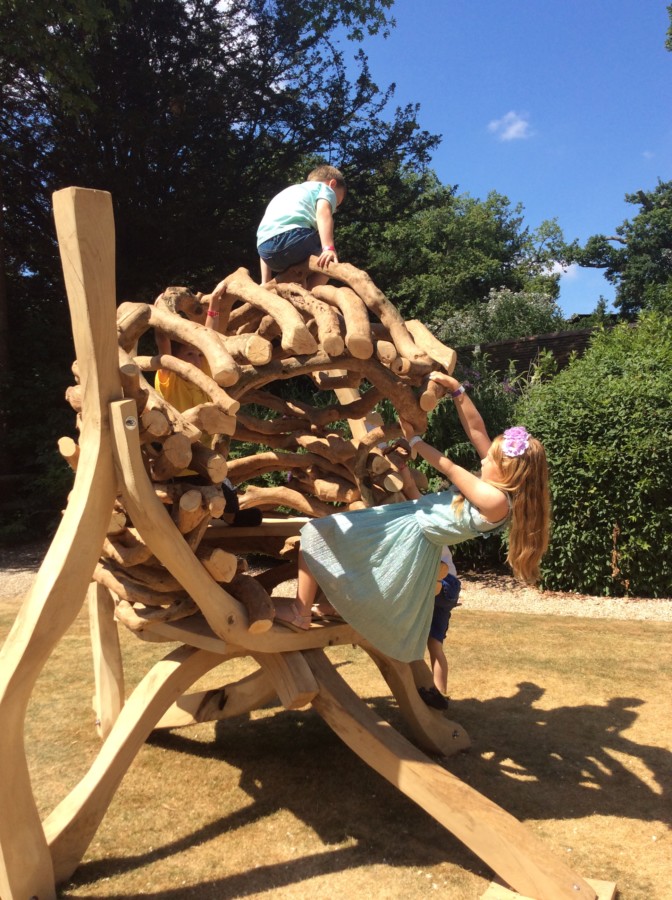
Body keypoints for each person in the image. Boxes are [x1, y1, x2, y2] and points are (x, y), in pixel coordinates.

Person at [274, 371, 551, 666]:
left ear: (509, 471)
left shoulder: (495, 501)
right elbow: (477, 430)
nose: (484, 459)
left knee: (317, 533)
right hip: (411, 523)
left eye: (492, 459)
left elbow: (450, 468)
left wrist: (415, 441)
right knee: (351, 559)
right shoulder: (495, 487)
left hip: (409, 532)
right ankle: (330, 606)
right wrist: (458, 392)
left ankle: (301, 612)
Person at [256, 164, 346, 288]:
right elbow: (323, 212)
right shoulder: (325, 189)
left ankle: (264, 283)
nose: (334, 208)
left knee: (298, 273)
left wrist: (265, 280)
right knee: (329, 261)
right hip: (294, 240)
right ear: (332, 184)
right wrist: (328, 248)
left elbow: (268, 232)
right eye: (337, 202)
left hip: (265, 251)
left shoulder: (288, 192)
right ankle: (310, 293)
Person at [419, 546, 462, 711]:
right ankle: (440, 694)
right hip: (450, 587)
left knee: (411, 639)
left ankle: (428, 691)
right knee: (435, 645)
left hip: (440, 581)